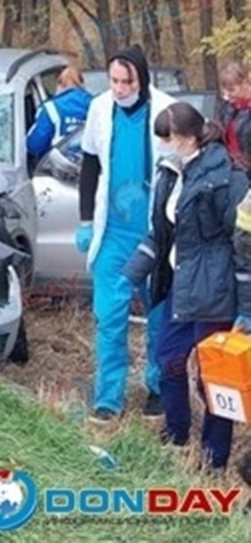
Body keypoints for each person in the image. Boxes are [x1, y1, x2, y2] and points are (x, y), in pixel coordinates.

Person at [123, 101, 250, 470]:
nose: (163, 145)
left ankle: (214, 456)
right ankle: (177, 432)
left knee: (214, 374)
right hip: (182, 284)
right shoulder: (169, 172)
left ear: (188, 137)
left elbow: (243, 245)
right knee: (169, 359)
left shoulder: (226, 176)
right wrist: (132, 274)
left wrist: (246, 307)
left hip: (216, 289)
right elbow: (162, 233)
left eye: (167, 138)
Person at [76, 45, 175, 423]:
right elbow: (88, 164)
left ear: (142, 78)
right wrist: (86, 221)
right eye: (114, 80)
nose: (118, 88)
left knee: (160, 316)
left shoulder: (164, 109)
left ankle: (158, 388)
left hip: (155, 234)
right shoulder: (100, 108)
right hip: (113, 233)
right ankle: (108, 396)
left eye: (125, 81)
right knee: (109, 316)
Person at [27, 65, 94, 161]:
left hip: (59, 169)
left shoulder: (50, 108)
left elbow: (34, 145)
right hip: (91, 167)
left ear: (59, 85)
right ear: (82, 84)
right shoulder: (95, 104)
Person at [218, 61, 251, 170]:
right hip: (233, 165)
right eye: (224, 90)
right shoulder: (228, 106)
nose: (226, 95)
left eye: (231, 90)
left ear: (245, 83)